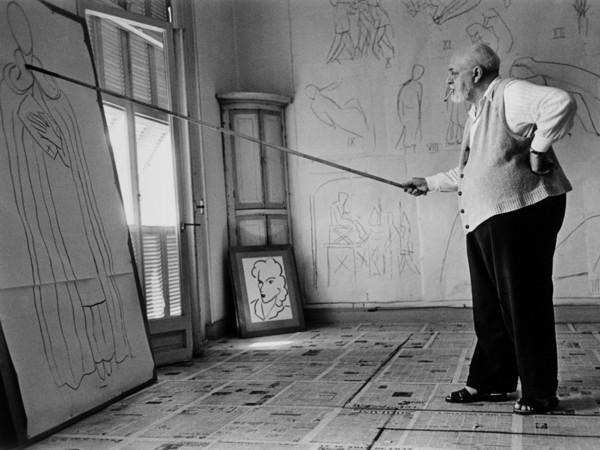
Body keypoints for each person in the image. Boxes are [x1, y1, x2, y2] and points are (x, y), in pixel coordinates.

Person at [401, 43, 576, 415]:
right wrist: (429, 183)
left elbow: (560, 102)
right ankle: (493, 382)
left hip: (520, 213)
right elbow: (476, 171)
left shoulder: (508, 93)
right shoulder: (477, 113)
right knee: (490, 308)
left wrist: (539, 149)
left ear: (476, 74)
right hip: (487, 217)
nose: (449, 80)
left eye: (453, 73)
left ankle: (540, 391)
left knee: (523, 304)